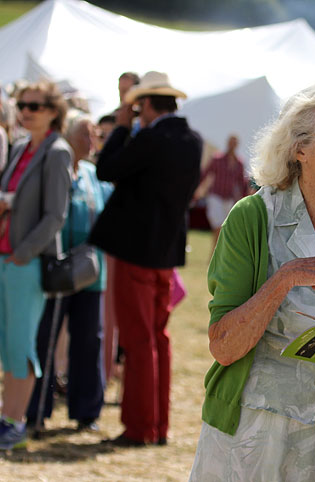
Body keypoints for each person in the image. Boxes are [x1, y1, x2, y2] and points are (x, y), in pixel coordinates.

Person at [189, 84, 315, 482]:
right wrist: (284, 278)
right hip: (254, 439)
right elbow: (224, 346)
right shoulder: (252, 217)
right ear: (300, 148)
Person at [89, 71, 202, 446]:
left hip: (136, 251)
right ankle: (158, 426)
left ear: (148, 104)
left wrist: (122, 128)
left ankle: (140, 428)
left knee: (138, 340)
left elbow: (107, 168)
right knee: (158, 339)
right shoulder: (192, 140)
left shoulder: (151, 138)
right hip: (165, 254)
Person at [26, 111, 112, 432]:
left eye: (94, 135)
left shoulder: (93, 174)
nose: (91, 142)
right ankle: (36, 411)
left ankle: (87, 413)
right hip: (57, 269)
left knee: (89, 340)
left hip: (90, 272)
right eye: (84, 135)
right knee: (46, 339)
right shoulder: (55, 168)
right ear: (68, 137)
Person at [0, 81, 71, 450]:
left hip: (25, 262)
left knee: (21, 343)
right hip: (6, 257)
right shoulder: (19, 148)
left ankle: (16, 423)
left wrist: (22, 254)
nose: (26, 111)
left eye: (35, 106)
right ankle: (7, 416)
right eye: (22, 105)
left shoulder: (57, 152)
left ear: (53, 112)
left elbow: (55, 216)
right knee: (6, 343)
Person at [197, 134, 250, 250]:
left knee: (225, 228)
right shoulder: (217, 159)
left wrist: (245, 198)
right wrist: (197, 189)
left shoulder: (239, 163)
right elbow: (205, 174)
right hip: (215, 196)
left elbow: (242, 183)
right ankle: (214, 252)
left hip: (229, 199)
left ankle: (217, 252)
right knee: (218, 226)